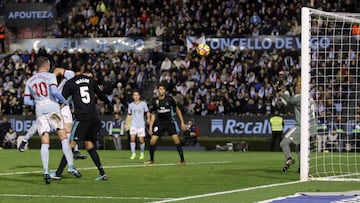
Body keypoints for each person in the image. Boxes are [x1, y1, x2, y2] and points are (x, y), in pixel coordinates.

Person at [23, 56, 80, 184]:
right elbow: (54, 92)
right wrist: (64, 101)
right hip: (53, 108)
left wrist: (38, 103)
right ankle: (70, 166)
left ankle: (46, 171)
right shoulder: (50, 76)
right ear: (47, 65)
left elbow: (26, 100)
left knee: (44, 140)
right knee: (63, 136)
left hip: (40, 110)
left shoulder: (30, 81)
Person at [51, 62, 110, 181]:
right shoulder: (91, 80)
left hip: (82, 118)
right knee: (89, 145)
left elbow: (62, 99)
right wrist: (109, 103)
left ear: (72, 69)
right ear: (82, 68)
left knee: (70, 145)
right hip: (94, 118)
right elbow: (101, 94)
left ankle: (58, 173)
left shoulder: (70, 83)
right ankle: (102, 173)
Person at [19, 68, 87, 160]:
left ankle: (75, 150)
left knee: (68, 128)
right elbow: (57, 70)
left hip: (64, 106)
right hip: (53, 103)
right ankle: (24, 140)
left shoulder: (83, 85)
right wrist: (51, 77)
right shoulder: (71, 75)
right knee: (37, 124)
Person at [145, 83, 186, 165]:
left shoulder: (170, 99)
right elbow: (153, 114)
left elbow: (177, 110)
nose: (162, 90)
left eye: (163, 89)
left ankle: (182, 160)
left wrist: (182, 122)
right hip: (160, 123)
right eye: (160, 89)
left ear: (165, 90)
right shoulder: (155, 101)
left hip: (169, 122)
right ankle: (151, 160)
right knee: (152, 141)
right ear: (157, 90)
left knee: (176, 140)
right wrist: (150, 127)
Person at [279, 83, 316, 173]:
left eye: (298, 87)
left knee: (284, 143)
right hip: (312, 128)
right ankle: (302, 168)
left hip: (301, 126)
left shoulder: (299, 97)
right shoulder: (311, 99)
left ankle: (289, 158)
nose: (295, 88)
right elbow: (290, 104)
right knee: (299, 148)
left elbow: (289, 100)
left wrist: (281, 93)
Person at [126, 90, 150, 160]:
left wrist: (148, 118)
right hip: (133, 124)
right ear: (133, 97)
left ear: (139, 96)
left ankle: (142, 153)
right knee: (132, 139)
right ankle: (133, 153)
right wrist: (126, 123)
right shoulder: (130, 105)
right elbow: (129, 115)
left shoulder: (143, 104)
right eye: (134, 95)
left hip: (141, 124)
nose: (136, 96)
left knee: (141, 140)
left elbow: (147, 112)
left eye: (137, 95)